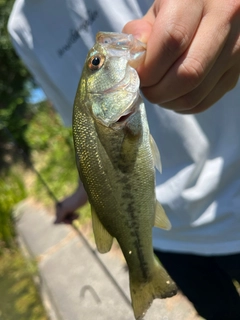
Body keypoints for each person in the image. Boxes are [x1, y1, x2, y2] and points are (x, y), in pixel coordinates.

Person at [8, 0, 240, 319]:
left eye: (97, 61)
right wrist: (77, 197)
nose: (101, 55)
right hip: (164, 236)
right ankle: (144, 277)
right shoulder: (20, 29)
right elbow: (90, 148)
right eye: (97, 62)